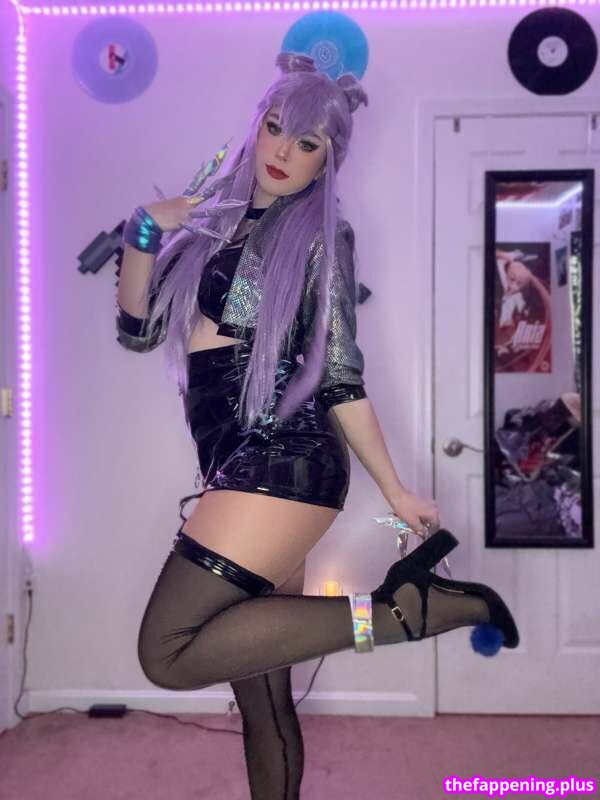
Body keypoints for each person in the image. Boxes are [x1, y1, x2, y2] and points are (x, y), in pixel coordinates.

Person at [116, 52, 519, 799]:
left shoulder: (319, 236)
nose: (282, 151)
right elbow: (137, 330)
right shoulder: (210, 225)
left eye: (307, 143)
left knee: (165, 652)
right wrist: (144, 228)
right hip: (236, 464)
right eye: (276, 128)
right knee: (263, 698)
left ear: (327, 160)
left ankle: (401, 612)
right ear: (256, 126)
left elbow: (338, 376)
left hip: (283, 460)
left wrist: (396, 491)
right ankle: (391, 617)